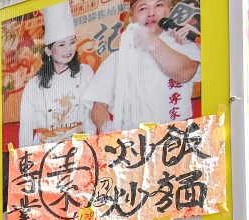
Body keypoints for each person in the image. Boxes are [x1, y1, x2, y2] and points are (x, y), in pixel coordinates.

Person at [83, 0, 201, 133]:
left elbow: (185, 73)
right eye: (143, 8)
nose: (151, 13)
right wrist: (106, 126)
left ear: (168, 11)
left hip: (175, 136)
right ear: (132, 19)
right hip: (133, 138)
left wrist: (152, 43)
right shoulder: (117, 58)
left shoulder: (183, 43)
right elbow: (99, 104)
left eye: (158, 5)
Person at [18, 1, 95, 147]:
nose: (68, 49)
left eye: (72, 42)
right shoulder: (33, 85)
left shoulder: (85, 73)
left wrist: (89, 148)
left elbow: (90, 118)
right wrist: (27, 157)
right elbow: (26, 130)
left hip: (78, 146)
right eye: (61, 44)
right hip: (44, 150)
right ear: (48, 50)